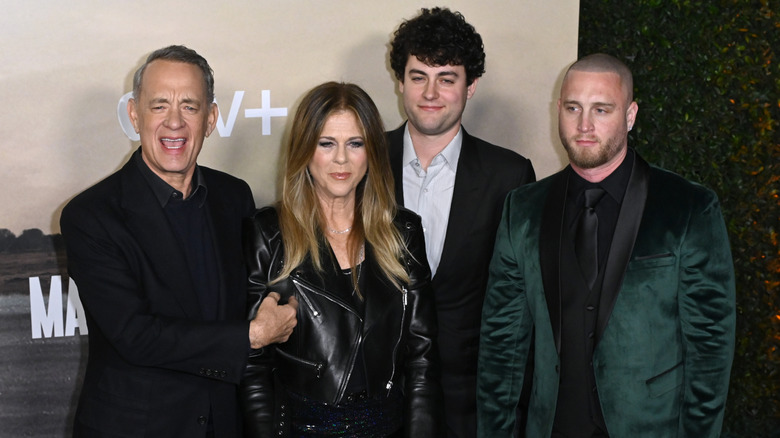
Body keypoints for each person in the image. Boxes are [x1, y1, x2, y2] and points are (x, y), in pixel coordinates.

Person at [477, 53, 736, 437]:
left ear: (630, 116)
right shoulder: (524, 208)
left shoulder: (688, 207)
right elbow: (501, 345)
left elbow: (710, 349)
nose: (584, 125)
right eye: (573, 108)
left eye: (601, 109)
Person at [60, 45, 298, 437]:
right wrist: (250, 335)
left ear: (211, 118)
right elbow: (136, 336)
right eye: (159, 106)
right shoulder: (91, 216)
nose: (174, 123)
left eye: (189, 106)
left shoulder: (235, 197)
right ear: (134, 116)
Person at [239, 81, 444, 437]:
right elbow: (253, 368)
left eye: (355, 144)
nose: (341, 159)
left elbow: (422, 359)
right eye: (326, 144)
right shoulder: (269, 234)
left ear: (372, 152)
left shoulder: (404, 232)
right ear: (304, 150)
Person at [386, 7, 536, 437]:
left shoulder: (510, 175)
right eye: (418, 77)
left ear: (471, 87)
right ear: (400, 81)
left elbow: (524, 302)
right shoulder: (363, 163)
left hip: (472, 404)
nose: (430, 92)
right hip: (376, 397)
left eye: (447, 78)